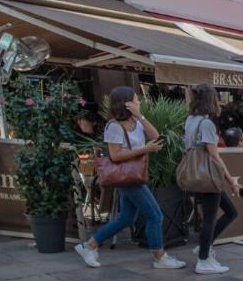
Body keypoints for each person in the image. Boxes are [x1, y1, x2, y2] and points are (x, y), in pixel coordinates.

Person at [75, 87, 186, 270]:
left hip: (134, 175)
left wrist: (140, 116)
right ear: (126, 103)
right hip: (126, 176)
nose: (139, 102)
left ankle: (89, 246)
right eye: (136, 99)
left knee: (126, 218)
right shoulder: (113, 126)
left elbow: (156, 137)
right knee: (155, 215)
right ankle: (159, 257)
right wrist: (145, 149)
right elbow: (115, 156)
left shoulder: (136, 121)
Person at [184, 84, 242, 275]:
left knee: (229, 212)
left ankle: (204, 247)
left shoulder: (190, 120)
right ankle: (203, 260)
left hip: (196, 174)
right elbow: (214, 155)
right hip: (208, 176)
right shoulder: (207, 124)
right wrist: (231, 180)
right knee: (211, 217)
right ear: (211, 100)